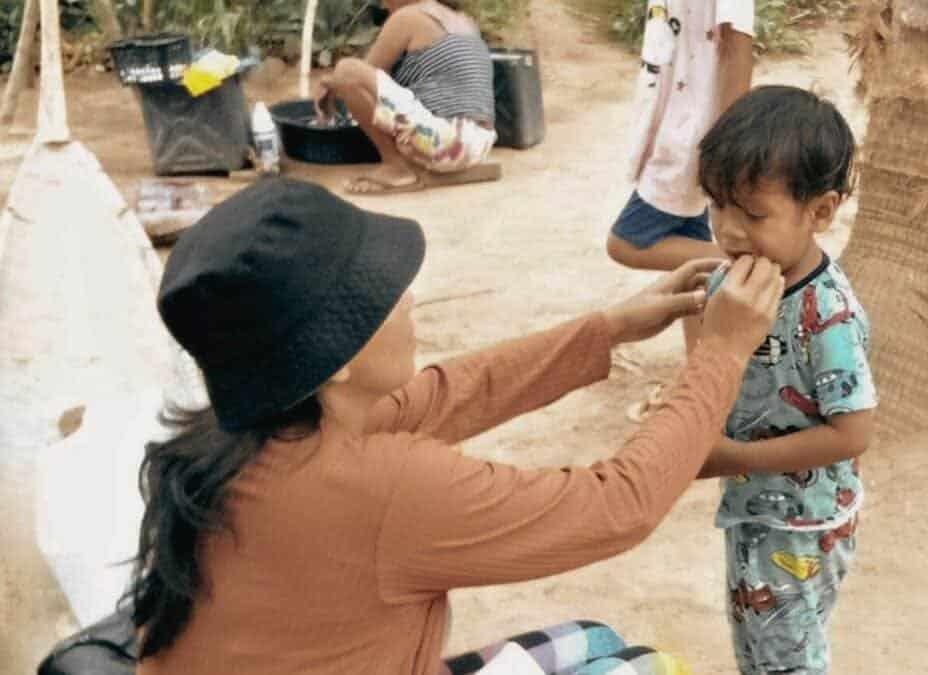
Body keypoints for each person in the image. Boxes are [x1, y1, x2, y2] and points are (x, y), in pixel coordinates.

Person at [131, 177, 784, 675]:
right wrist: (720, 353)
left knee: (596, 642)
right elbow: (618, 505)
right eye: (384, 293)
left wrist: (607, 328)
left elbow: (451, 393)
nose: (409, 298)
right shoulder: (383, 488)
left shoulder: (251, 431)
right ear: (336, 360)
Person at [695, 86, 878, 674]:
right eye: (716, 205)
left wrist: (732, 454)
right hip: (753, 509)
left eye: (751, 213)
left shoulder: (827, 315)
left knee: (788, 658)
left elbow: (852, 435)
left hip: (801, 524)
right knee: (755, 641)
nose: (727, 230)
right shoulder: (741, 278)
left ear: (821, 212)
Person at [607, 0, 755, 361]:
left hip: (690, 141)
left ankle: (752, 262)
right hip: (679, 132)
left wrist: (724, 144)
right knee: (689, 255)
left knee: (627, 241)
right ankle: (697, 369)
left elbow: (738, 48)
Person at [315, 0, 496, 195]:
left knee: (347, 69)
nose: (382, 4)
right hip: (478, 145)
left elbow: (362, 76)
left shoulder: (408, 17)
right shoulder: (464, 21)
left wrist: (329, 84)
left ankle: (397, 168)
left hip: (445, 143)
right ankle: (408, 164)